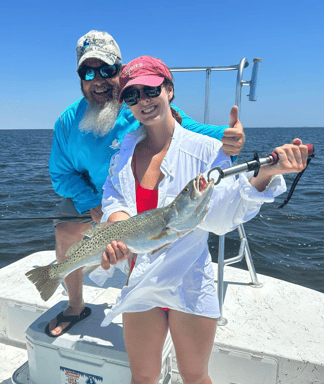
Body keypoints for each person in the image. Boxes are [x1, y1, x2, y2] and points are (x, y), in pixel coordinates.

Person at [97, 55, 309, 384]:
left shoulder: (207, 150)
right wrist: (120, 231)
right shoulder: (121, 154)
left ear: (169, 90)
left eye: (151, 90)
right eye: (132, 95)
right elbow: (114, 199)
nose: (143, 101)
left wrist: (265, 174)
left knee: (195, 379)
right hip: (140, 279)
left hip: (189, 280)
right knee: (141, 377)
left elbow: (223, 215)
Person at [47, 30, 246, 337]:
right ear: (80, 78)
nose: (97, 79)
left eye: (107, 70)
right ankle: (75, 305)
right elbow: (61, 175)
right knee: (65, 229)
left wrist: (228, 136)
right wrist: (91, 204)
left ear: (120, 73)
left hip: (135, 198)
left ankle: (154, 296)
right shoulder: (66, 122)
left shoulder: (140, 105)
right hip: (91, 198)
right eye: (88, 72)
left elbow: (189, 131)